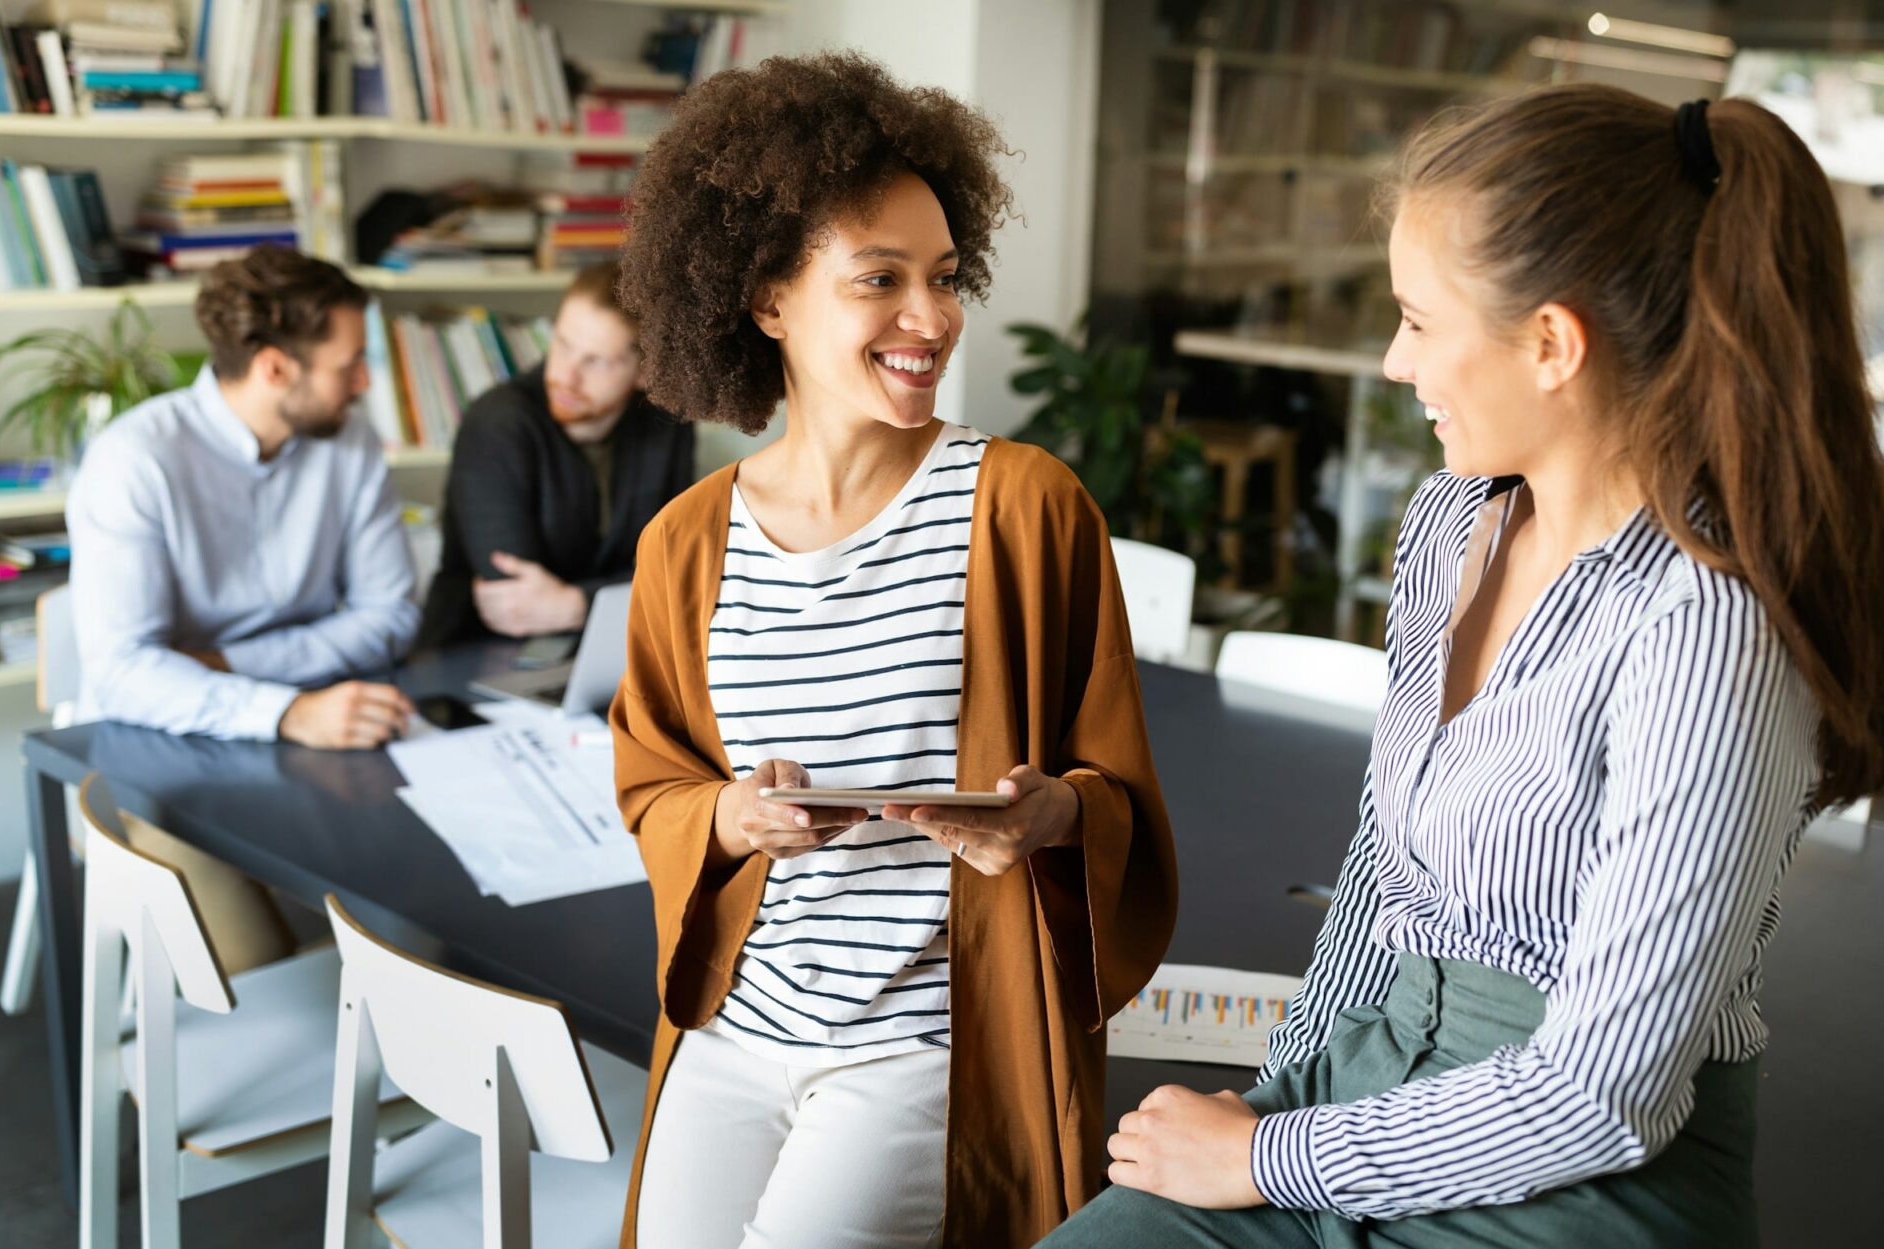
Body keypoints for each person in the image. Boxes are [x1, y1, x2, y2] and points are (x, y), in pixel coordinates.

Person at [1038, 85, 1884, 1249]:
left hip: (1583, 1172)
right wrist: (1276, 1096)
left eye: (1418, 321)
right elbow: (1385, 860)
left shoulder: (1707, 627)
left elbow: (1604, 1093)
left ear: (1552, 343)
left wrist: (1269, 1157)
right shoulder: (1450, 524)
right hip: (1368, 1080)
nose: (1392, 362)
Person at [607, 53, 1178, 1249]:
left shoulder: (1023, 507)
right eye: (881, 280)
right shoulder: (687, 545)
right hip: (739, 1025)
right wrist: (734, 820)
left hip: (928, 1038)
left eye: (945, 277)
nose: (934, 319)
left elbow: (1116, 791)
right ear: (767, 299)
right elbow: (657, 785)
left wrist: (1046, 815)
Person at [69, 244, 421, 968]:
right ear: (274, 367)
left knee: (430, 918)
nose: (364, 382)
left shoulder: (347, 440)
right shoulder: (135, 460)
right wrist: (284, 708)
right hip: (157, 756)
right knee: (259, 966)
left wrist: (227, 663)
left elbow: (389, 612)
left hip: (317, 739)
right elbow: (125, 675)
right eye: (349, 363)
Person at [416, 263, 695, 648]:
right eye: (563, 344)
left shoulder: (667, 422)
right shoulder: (497, 423)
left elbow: (675, 571)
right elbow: (517, 601)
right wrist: (620, 595)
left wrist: (576, 605)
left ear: (645, 372)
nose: (567, 375)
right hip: (480, 657)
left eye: (594, 361)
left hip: (614, 650)